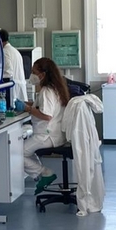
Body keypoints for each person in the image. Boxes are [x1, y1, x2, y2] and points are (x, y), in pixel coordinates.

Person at [22, 57, 70, 192]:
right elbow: (43, 106)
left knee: (16, 154)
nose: (32, 75)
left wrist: (28, 109)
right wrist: (27, 104)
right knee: (27, 150)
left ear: (42, 75)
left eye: (34, 72)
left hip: (47, 136)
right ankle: (41, 175)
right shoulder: (55, 88)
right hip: (56, 134)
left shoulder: (46, 91)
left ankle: (45, 173)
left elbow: (47, 115)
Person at [0, 29, 28, 108]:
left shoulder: (5, 52)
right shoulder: (14, 51)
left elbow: (8, 73)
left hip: (13, 90)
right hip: (19, 89)